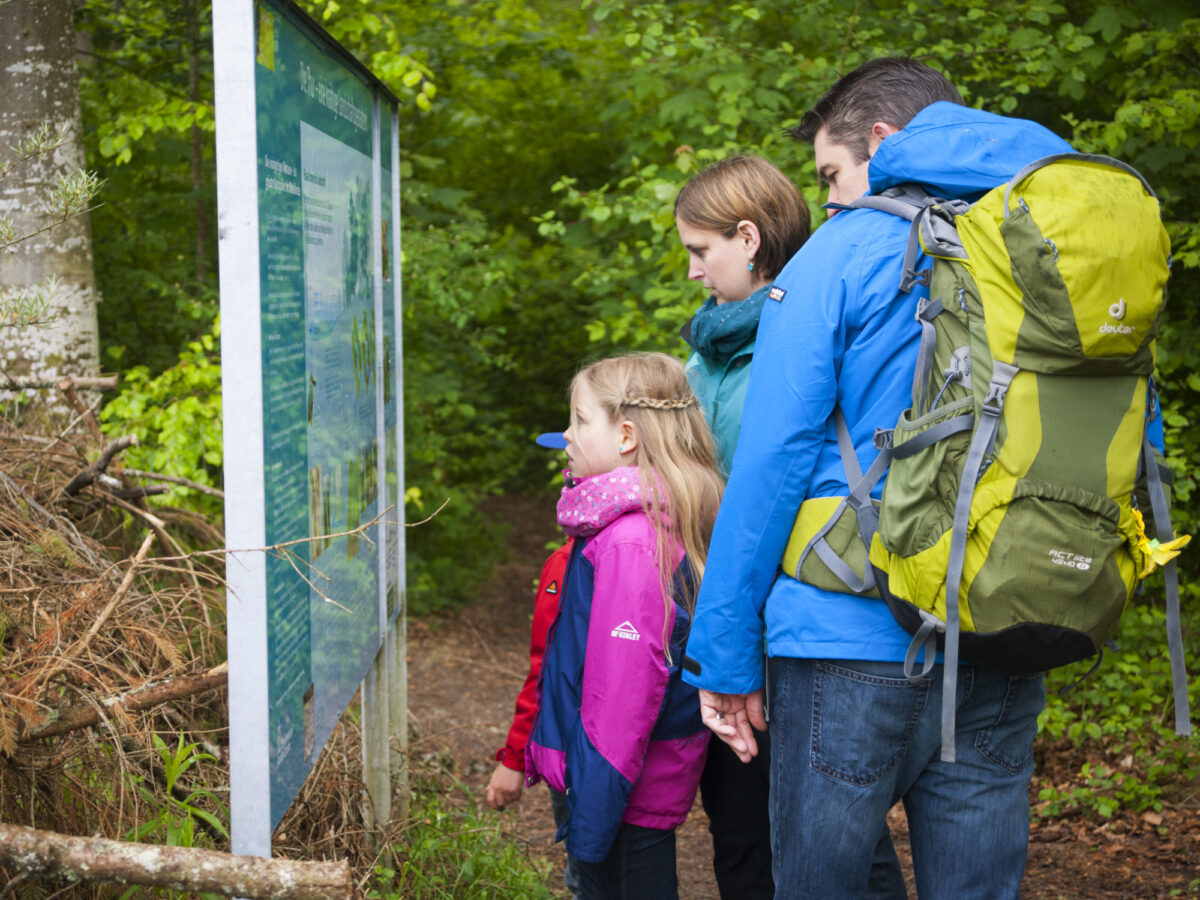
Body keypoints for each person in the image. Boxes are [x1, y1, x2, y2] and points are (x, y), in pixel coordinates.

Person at [681, 57, 1075, 898]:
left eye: (830, 172)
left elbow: (772, 464)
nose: (825, 198)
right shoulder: (1053, 245)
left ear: (886, 142)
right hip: (1004, 627)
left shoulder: (844, 250)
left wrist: (724, 656)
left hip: (846, 636)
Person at [525, 352, 724, 899]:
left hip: (619, 786)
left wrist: (591, 815)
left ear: (627, 436)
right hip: (615, 779)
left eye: (581, 420)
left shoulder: (630, 542)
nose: (566, 434)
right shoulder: (622, 527)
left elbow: (624, 696)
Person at [674, 154, 811, 899]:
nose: (693, 271)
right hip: (717, 619)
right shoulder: (709, 352)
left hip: (776, 629)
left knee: (772, 833)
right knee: (734, 824)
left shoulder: (794, 346)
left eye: (701, 250)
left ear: (750, 240)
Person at [485, 525, 578, 896]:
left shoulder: (568, 561)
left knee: (588, 873)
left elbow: (546, 670)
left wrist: (514, 758)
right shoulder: (675, 538)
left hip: (577, 746)